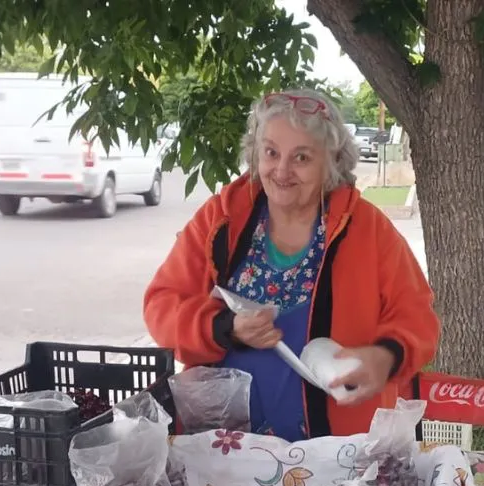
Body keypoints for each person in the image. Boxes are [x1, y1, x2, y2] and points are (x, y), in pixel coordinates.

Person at [143, 89, 439, 441]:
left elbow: (418, 317)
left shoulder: (367, 228)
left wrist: (385, 356)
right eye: (271, 152)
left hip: (334, 452)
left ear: (330, 162)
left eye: (301, 158)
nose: (281, 171)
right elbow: (162, 306)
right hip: (220, 447)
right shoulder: (221, 218)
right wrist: (225, 327)